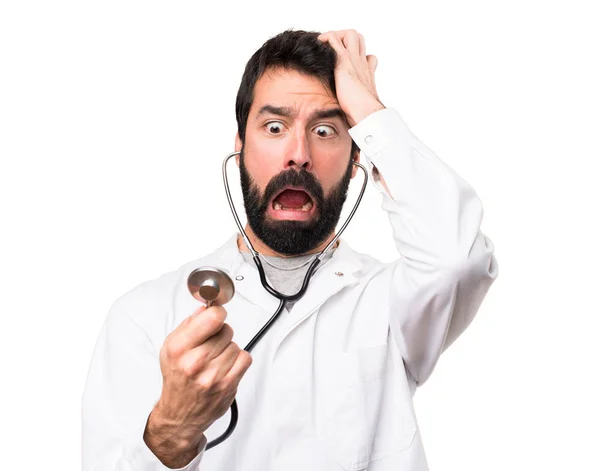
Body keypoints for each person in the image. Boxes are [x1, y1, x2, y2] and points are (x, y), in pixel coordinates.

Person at [82, 29, 499, 471]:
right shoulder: (145, 317)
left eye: (325, 130)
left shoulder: (390, 302)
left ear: (358, 157)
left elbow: (458, 258)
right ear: (240, 145)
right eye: (275, 127)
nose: (298, 154)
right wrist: (171, 432)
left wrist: (371, 114)